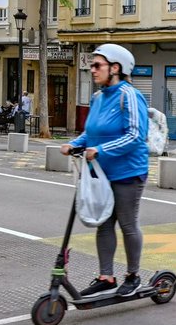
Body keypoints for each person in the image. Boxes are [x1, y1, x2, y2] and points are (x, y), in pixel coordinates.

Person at [62, 43, 150, 298]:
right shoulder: (99, 97)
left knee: (127, 224)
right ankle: (106, 276)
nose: (93, 70)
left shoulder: (129, 95)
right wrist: (74, 144)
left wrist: (101, 150)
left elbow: (136, 136)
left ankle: (133, 276)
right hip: (101, 173)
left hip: (128, 173)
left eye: (97, 65)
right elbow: (92, 132)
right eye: (92, 65)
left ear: (116, 68)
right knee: (104, 223)